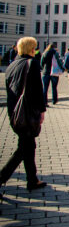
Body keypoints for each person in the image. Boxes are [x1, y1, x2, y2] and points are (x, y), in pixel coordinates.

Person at [1, 37, 47, 192]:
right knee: (23, 149)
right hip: (26, 114)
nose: (36, 50)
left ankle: (32, 180)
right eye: (34, 47)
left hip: (14, 113)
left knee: (29, 146)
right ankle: (1, 178)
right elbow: (37, 91)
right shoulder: (31, 64)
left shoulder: (12, 65)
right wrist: (41, 111)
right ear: (31, 49)